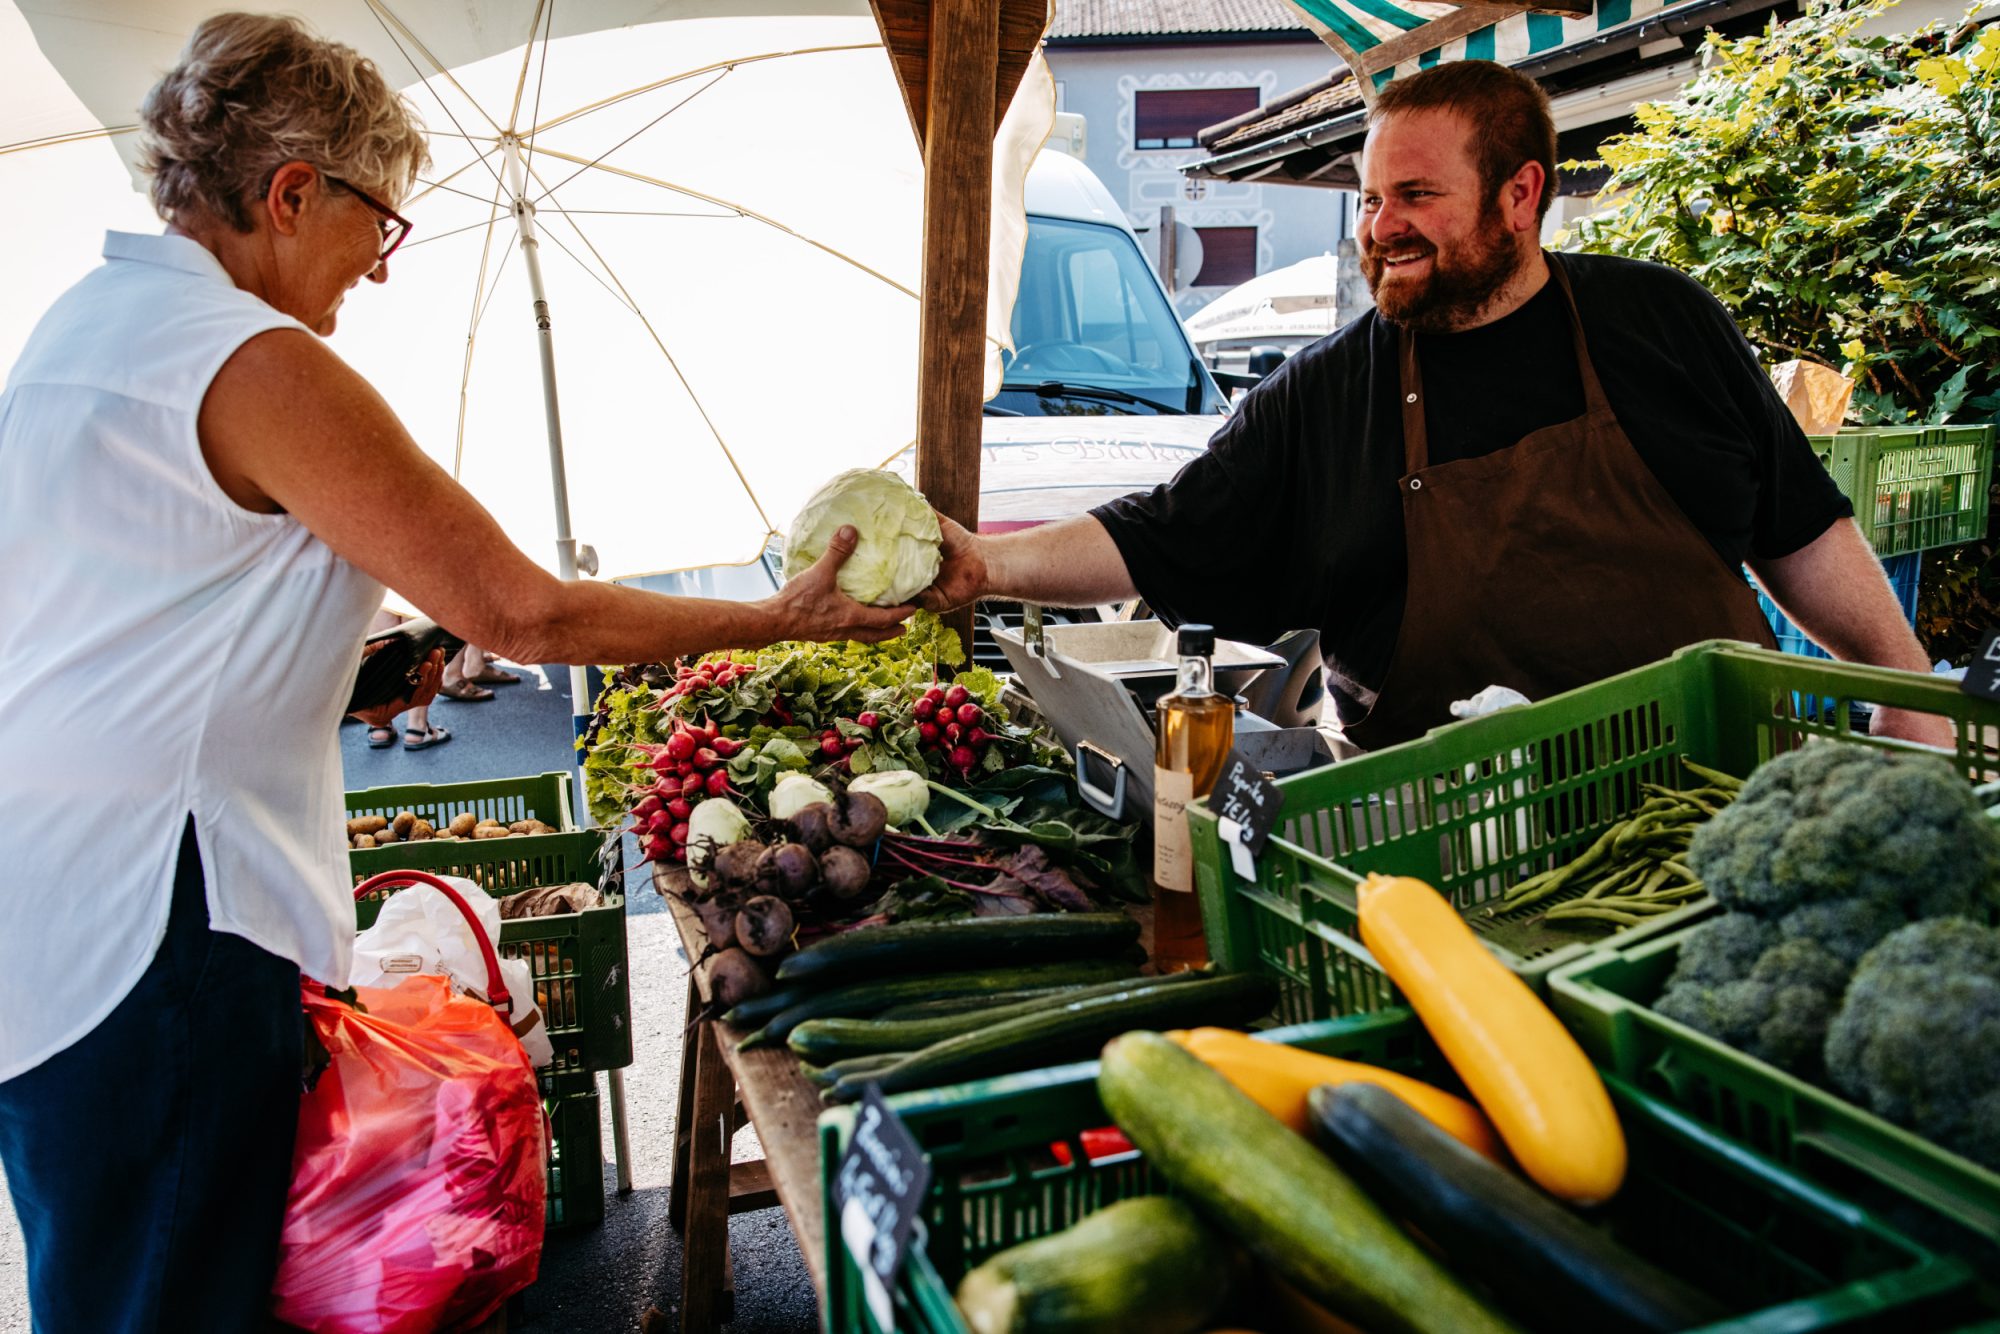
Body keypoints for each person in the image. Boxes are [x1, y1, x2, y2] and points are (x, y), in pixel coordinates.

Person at [0, 13, 907, 1332]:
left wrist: (360, 681)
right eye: (381, 220)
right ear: (292, 190)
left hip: (54, 914)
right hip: (165, 919)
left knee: (112, 1278)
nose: (378, 266)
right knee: (172, 1295)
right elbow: (526, 614)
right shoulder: (255, 359)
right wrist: (776, 620)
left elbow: (125, 614)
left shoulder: (83, 331)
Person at [921, 60, 1949, 750]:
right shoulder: (1327, 393)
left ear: (1519, 194)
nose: (1380, 226)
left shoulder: (1656, 322)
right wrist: (982, 561)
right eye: (1368, 199)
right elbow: (1160, 533)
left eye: (1415, 196)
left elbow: (1794, 525)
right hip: (1440, 836)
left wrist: (1898, 679)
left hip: (1706, 793)